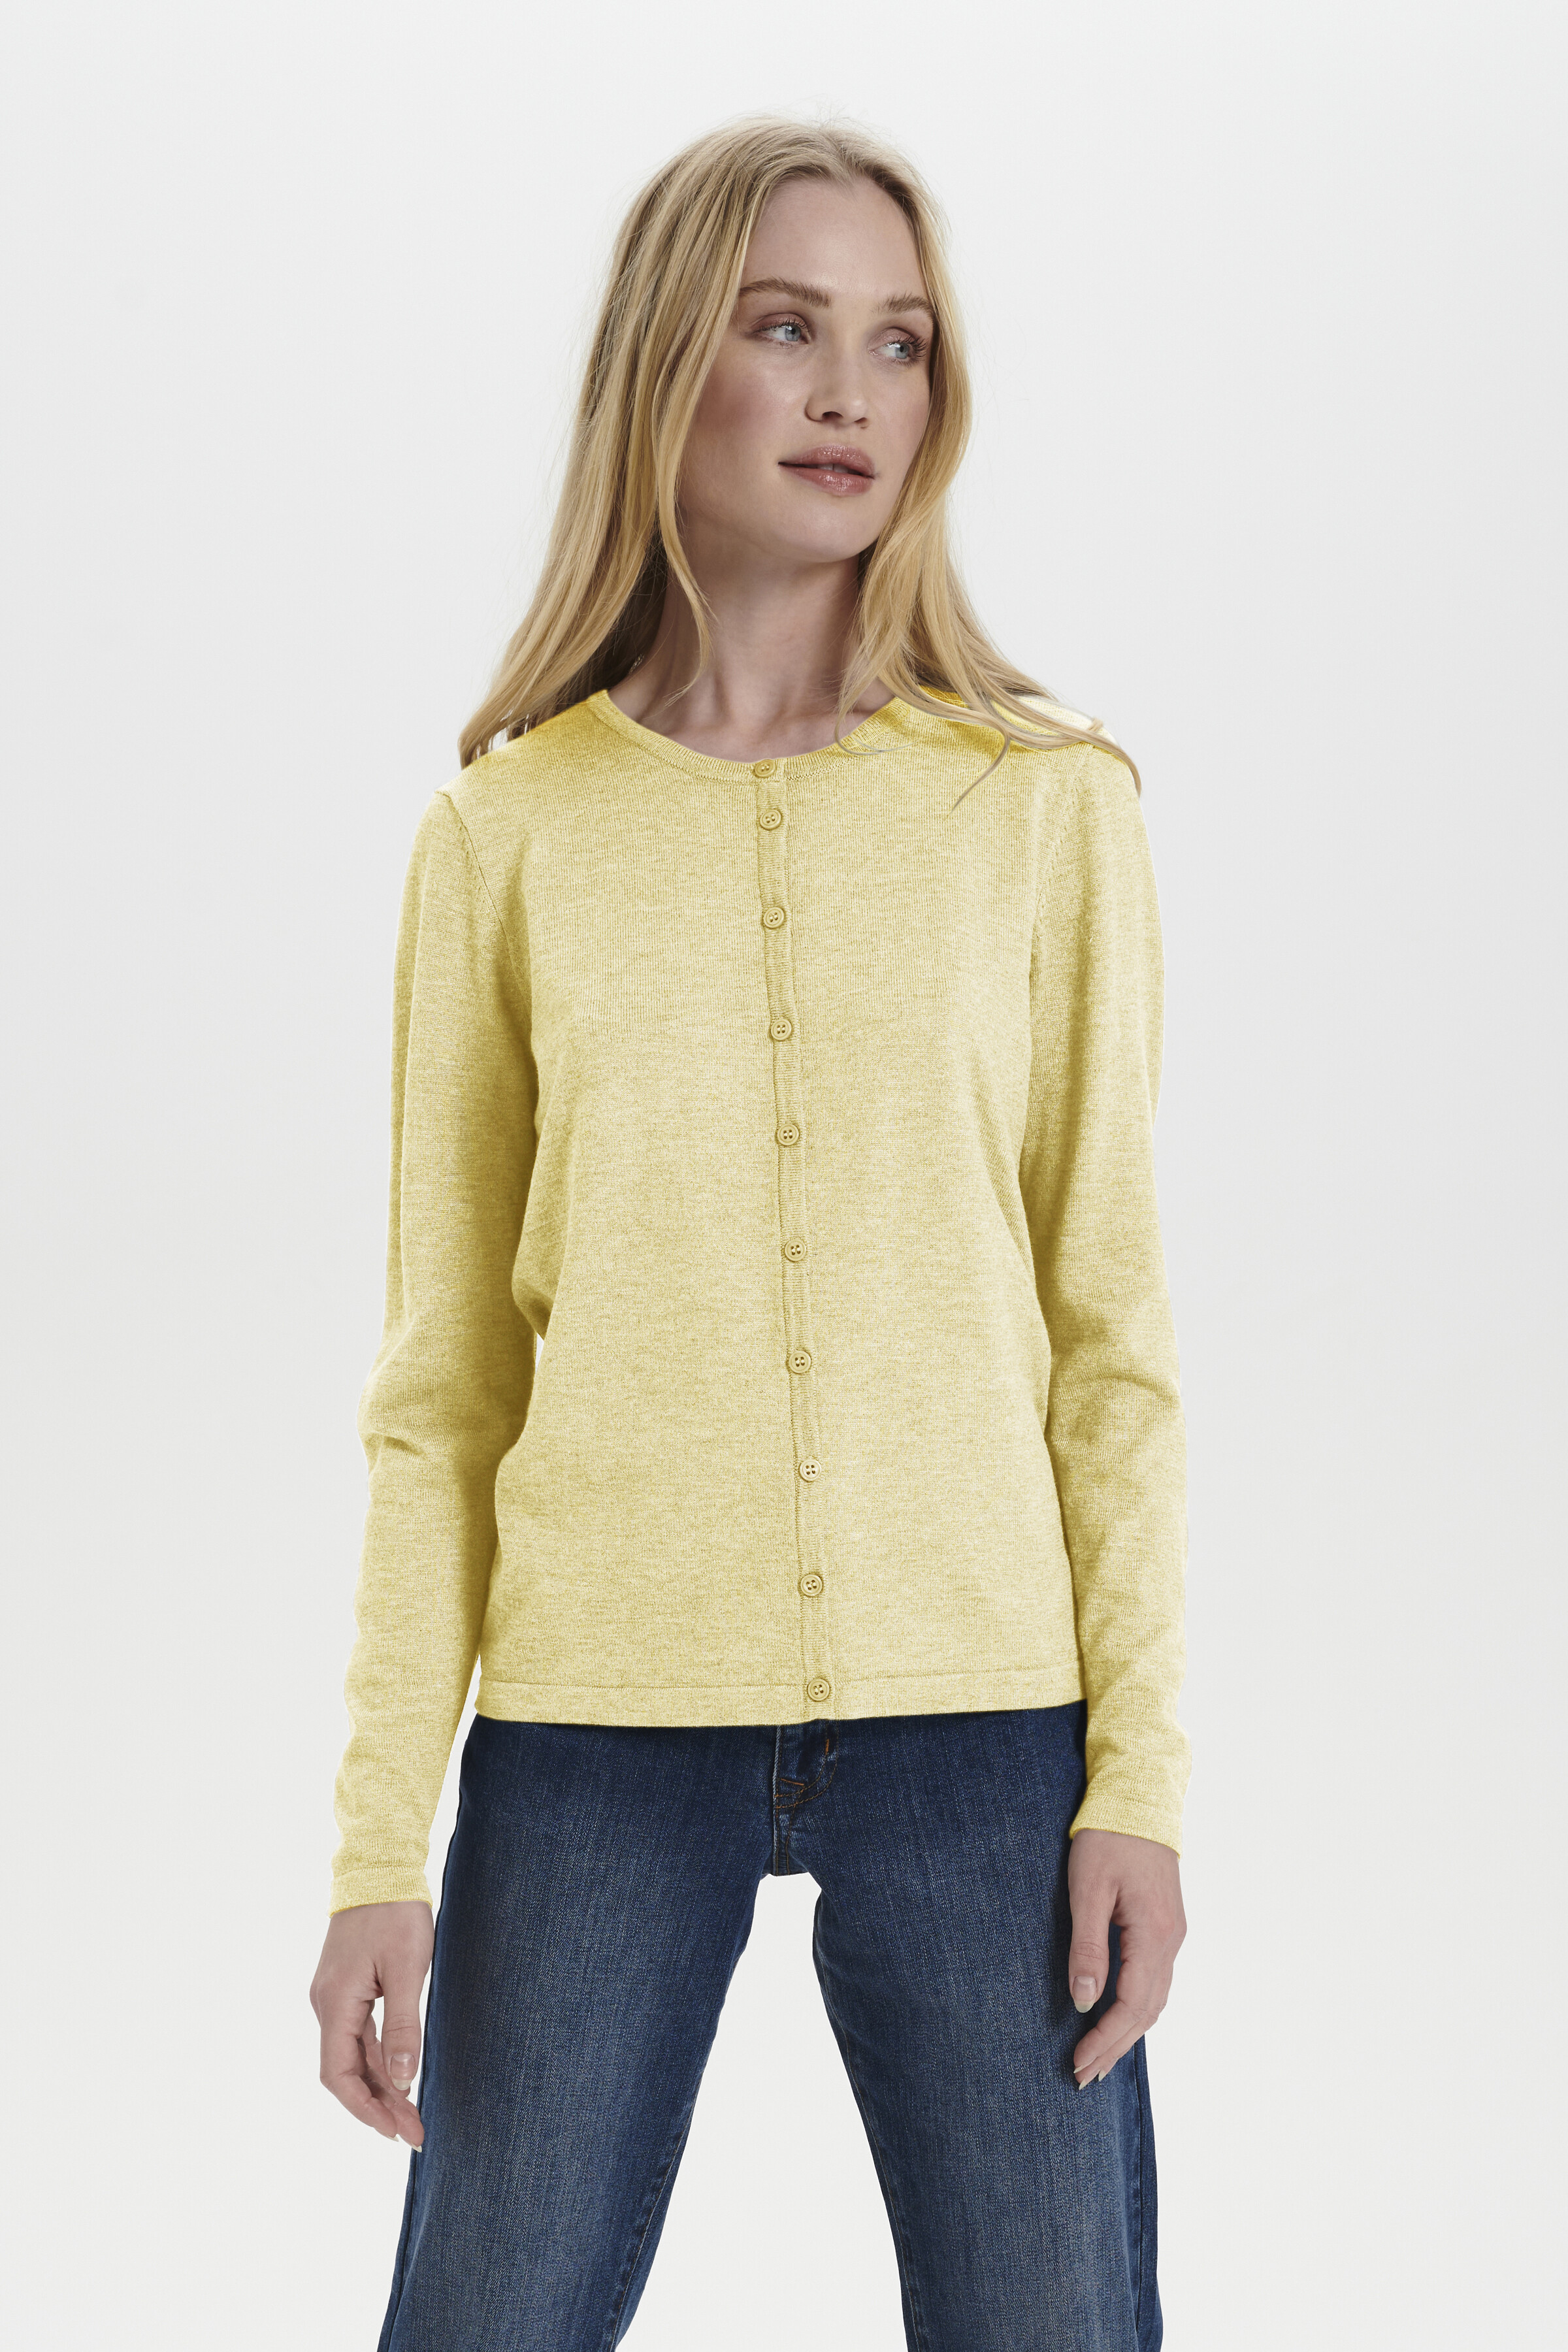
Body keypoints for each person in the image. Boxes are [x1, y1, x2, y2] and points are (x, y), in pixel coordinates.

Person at [310, 114, 1190, 2352]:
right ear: (662, 366)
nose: (850, 393)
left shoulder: (1043, 811)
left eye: (899, 342)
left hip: (986, 1720)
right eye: (784, 327)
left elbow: (1110, 1335)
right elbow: (443, 1391)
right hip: (596, 1727)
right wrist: (380, 1846)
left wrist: (1141, 1783)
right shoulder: (510, 837)